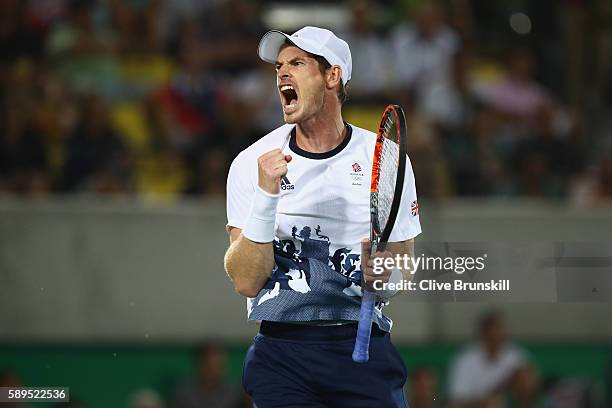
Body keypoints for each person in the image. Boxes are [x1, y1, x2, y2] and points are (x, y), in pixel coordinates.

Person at [224, 26, 421, 407]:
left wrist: (384, 276)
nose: (282, 72)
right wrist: (267, 194)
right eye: (279, 66)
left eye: (297, 63)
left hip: (362, 350)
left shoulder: (386, 159)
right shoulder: (252, 163)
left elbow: (402, 269)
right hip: (281, 355)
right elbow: (247, 281)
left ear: (333, 76)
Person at [448, 312, 529, 407]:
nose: (495, 336)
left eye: (499, 331)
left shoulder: (516, 355)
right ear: (482, 334)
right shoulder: (464, 359)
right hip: (476, 406)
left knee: (525, 378)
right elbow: (457, 400)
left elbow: (529, 385)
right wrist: (485, 403)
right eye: (491, 332)